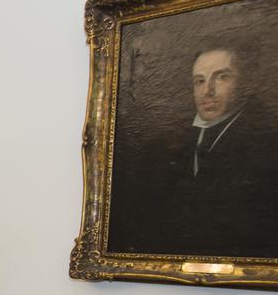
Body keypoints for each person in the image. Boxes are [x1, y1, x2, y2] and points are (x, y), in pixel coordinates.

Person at [108, 45, 278, 258]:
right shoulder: (178, 143)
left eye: (222, 77)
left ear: (246, 82)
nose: (207, 91)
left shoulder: (267, 142)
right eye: (199, 81)